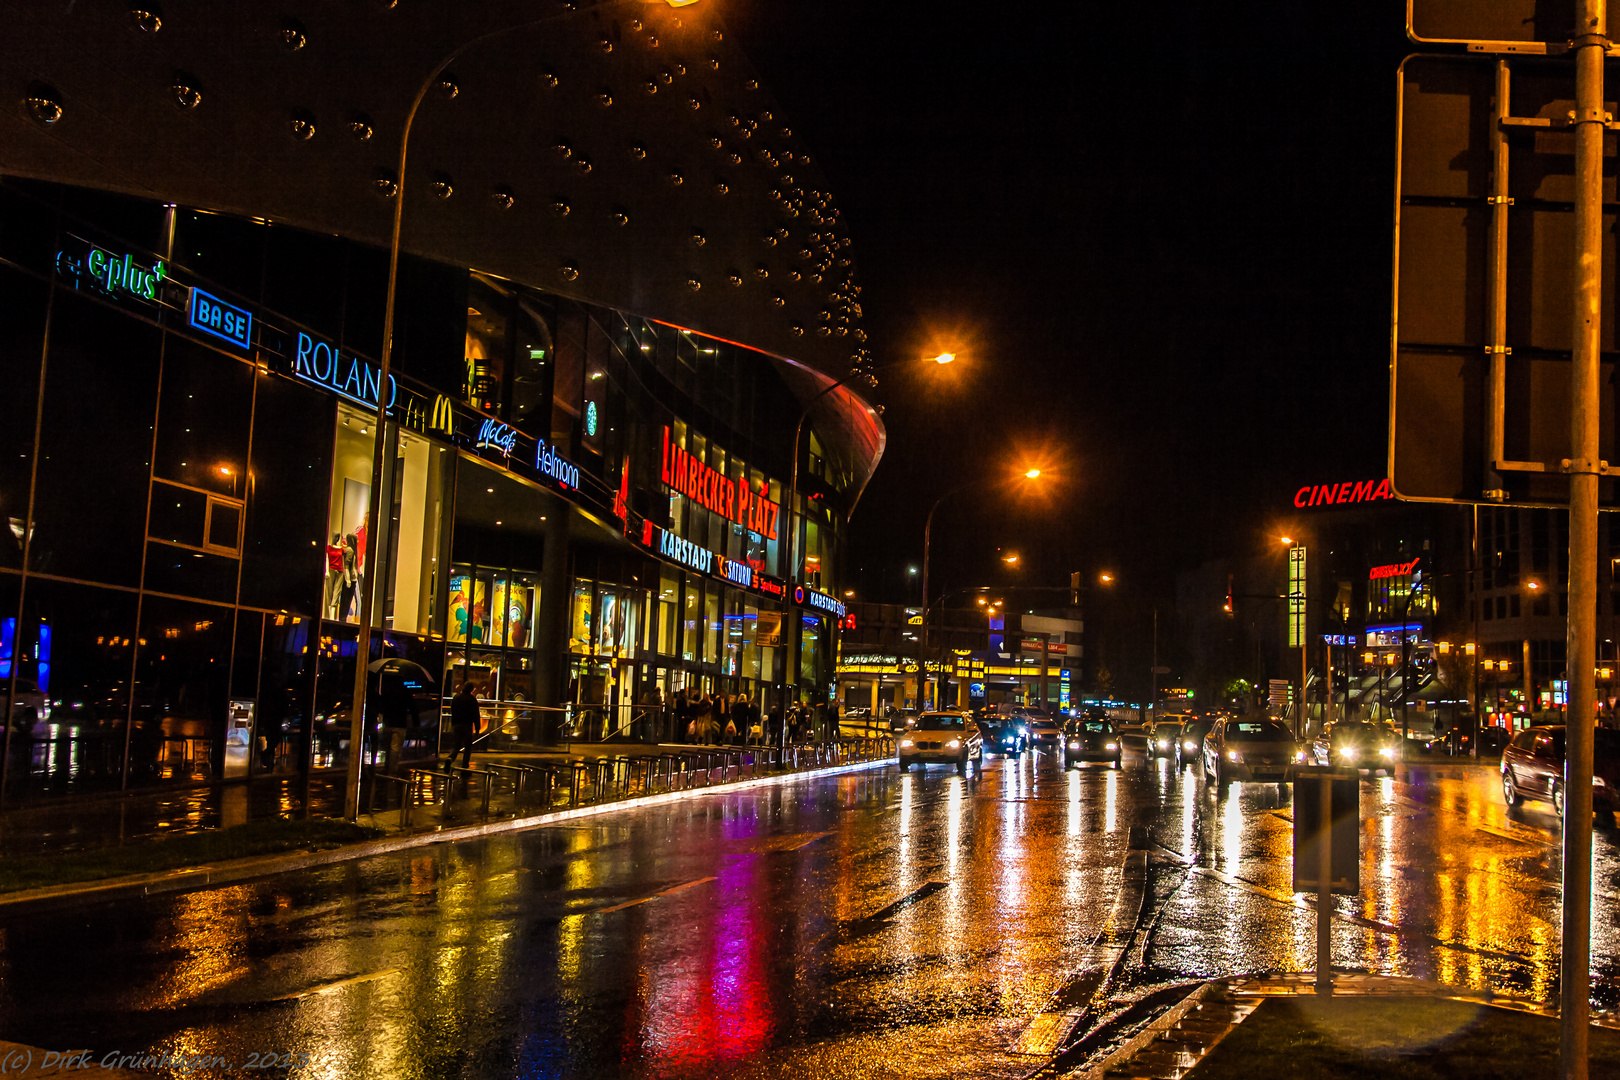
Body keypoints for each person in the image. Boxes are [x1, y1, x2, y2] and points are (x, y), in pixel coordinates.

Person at [449, 681, 480, 769]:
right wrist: (477, 729)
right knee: (468, 746)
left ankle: (450, 758)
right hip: (467, 725)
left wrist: (453, 723)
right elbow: (476, 715)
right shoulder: (472, 700)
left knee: (456, 745)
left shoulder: (456, 697)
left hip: (457, 724)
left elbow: (453, 711)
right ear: (471, 690)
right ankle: (465, 764)